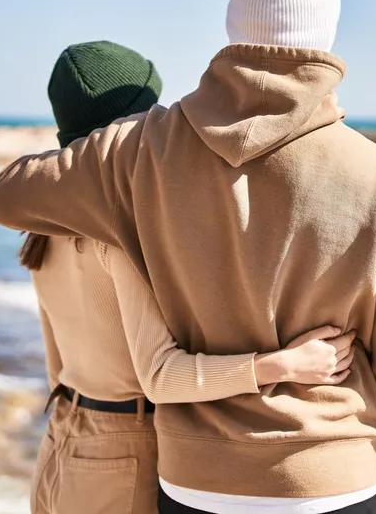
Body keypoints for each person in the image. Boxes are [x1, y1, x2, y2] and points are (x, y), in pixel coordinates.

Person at [0, 0, 376, 514]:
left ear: (232, 25)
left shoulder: (138, 152)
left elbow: (6, 197)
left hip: (193, 476)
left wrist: (113, 144)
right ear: (327, 30)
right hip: (335, 473)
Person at [23, 40, 357, 514]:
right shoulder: (115, 233)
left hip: (62, 443)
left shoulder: (44, 223)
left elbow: (57, 367)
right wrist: (283, 365)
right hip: (125, 457)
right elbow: (159, 375)